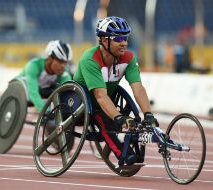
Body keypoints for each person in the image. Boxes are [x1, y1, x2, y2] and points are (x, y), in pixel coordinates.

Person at [73, 16, 158, 166]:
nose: (124, 43)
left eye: (125, 38)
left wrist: (148, 114)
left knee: (128, 120)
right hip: (81, 103)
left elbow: (137, 88)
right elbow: (100, 96)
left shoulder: (128, 58)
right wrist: (118, 118)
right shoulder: (90, 59)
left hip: (106, 100)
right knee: (102, 117)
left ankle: (131, 150)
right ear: (104, 41)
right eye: (118, 39)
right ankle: (123, 155)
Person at [15, 40, 72, 112]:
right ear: (50, 59)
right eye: (60, 62)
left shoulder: (64, 73)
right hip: (21, 89)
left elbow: (67, 94)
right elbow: (33, 92)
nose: (63, 66)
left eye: (65, 63)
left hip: (42, 90)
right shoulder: (34, 65)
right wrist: (45, 112)